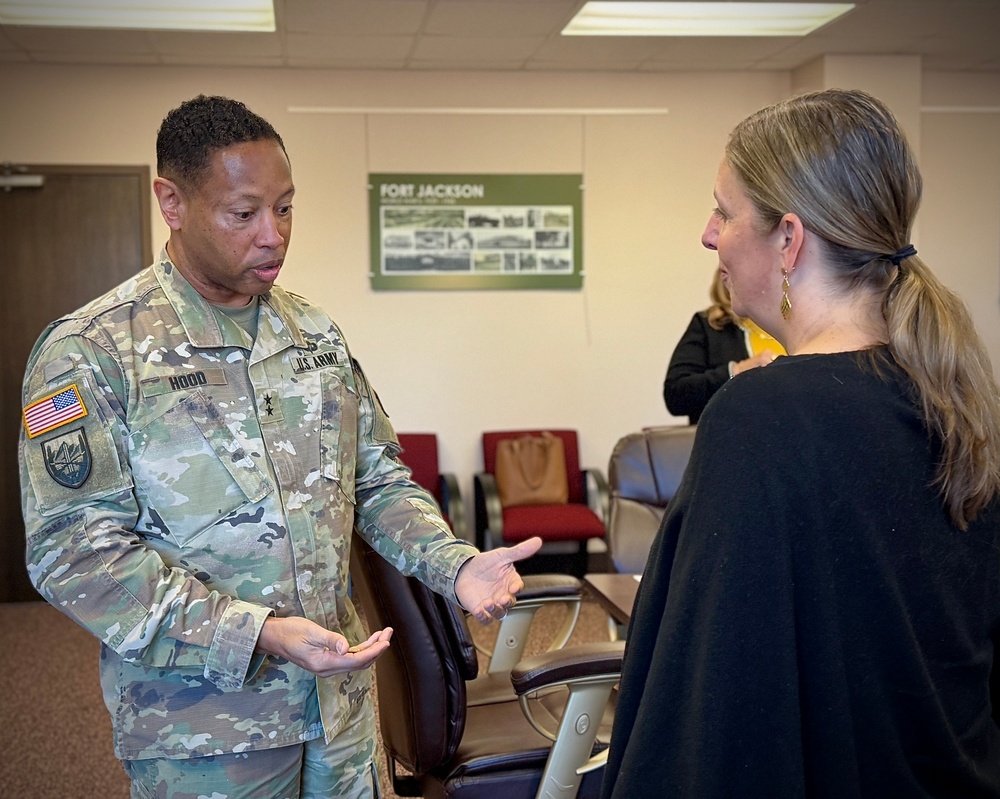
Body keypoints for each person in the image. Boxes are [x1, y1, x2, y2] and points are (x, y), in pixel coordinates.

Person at [18, 94, 541, 799]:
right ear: (171, 202)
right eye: (244, 213)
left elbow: (375, 480)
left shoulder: (314, 334)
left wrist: (454, 564)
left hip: (339, 710)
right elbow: (74, 554)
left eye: (286, 207)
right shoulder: (93, 352)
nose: (274, 235)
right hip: (204, 729)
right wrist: (253, 632)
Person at [602, 89, 1000, 798]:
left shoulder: (762, 420)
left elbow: (711, 718)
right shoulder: (958, 400)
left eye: (723, 212)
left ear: (789, 239)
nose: (707, 234)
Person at [663, 266, 784, 423]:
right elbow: (676, 395)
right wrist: (738, 371)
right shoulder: (710, 326)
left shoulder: (799, 324)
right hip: (731, 439)